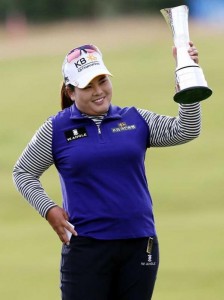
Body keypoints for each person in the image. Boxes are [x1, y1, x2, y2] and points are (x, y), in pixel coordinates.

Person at [13, 42, 200, 300]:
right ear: (70, 91)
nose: (98, 91)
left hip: (140, 244)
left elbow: (186, 129)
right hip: (87, 248)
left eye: (102, 81)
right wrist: (49, 209)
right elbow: (23, 172)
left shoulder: (135, 120)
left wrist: (187, 75)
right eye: (88, 86)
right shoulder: (55, 130)